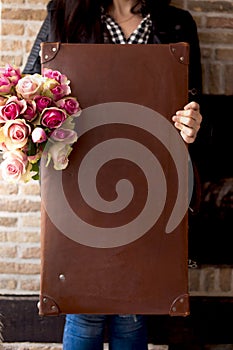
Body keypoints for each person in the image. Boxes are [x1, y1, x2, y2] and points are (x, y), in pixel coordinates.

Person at [24, 0, 203, 349]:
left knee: (132, 307)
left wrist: (193, 124)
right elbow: (31, 88)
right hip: (79, 180)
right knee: (83, 306)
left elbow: (193, 99)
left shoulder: (177, 23)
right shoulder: (64, 13)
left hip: (151, 179)